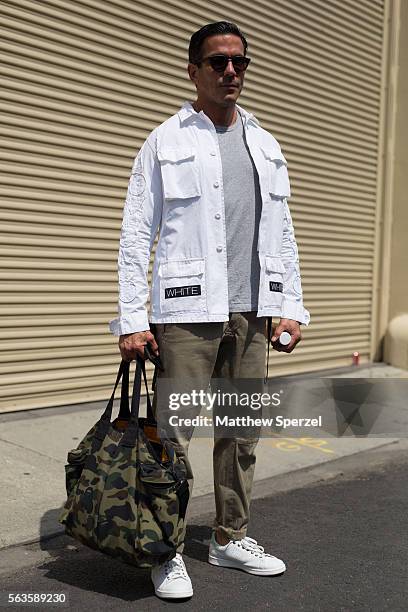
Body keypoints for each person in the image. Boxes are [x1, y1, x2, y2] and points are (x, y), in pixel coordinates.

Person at [109, 21, 310, 600]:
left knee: (242, 432)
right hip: (187, 311)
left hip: (252, 313)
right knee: (176, 435)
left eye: (240, 62)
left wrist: (289, 304)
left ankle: (229, 537)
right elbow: (134, 232)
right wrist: (133, 318)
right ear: (192, 68)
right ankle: (167, 548)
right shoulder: (166, 140)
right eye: (218, 61)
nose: (230, 72)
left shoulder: (265, 144)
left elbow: (283, 232)